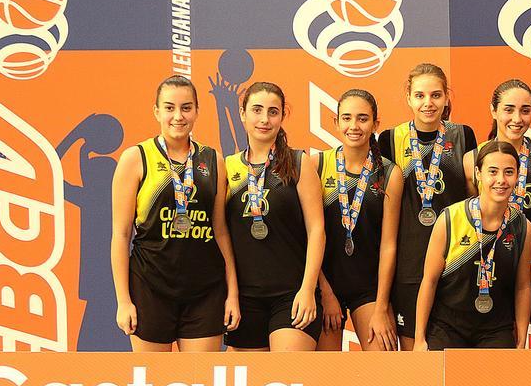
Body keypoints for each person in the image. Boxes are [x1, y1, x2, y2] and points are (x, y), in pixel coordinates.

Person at [110, 75, 239, 352]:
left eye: (186, 107)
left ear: (196, 111)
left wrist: (232, 294)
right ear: (156, 111)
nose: (178, 116)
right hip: (150, 288)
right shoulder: (136, 158)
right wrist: (123, 301)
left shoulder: (212, 159)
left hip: (205, 290)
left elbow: (220, 230)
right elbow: (121, 235)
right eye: (169, 108)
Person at [377, 63, 476, 350]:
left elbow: (472, 199)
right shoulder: (390, 140)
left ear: (447, 97)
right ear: (408, 97)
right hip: (409, 264)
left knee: (454, 355)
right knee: (414, 357)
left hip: (455, 260)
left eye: (435, 95)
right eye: (420, 96)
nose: (428, 103)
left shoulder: (463, 136)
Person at [222, 81, 325, 352]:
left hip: (292, 296)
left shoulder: (298, 162)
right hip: (246, 300)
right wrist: (231, 294)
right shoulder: (227, 168)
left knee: (285, 382)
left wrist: (307, 289)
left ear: (283, 116)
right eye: (257, 110)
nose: (264, 119)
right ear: (242, 114)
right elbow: (221, 236)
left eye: (273, 111)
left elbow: (317, 230)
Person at [466, 79, 531, 348]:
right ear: (493, 110)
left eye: (525, 110)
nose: (517, 118)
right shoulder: (471, 160)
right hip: (492, 277)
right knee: (500, 364)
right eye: (509, 109)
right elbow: (464, 220)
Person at [415, 141, 531, 351]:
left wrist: (522, 340)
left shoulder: (524, 227)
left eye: (509, 172)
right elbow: (429, 281)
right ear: (478, 173)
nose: (501, 180)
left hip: (495, 330)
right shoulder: (450, 218)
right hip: (447, 327)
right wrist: (419, 340)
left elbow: (523, 286)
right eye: (492, 172)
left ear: (518, 175)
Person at [316, 89, 396, 351]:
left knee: (384, 368)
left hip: (369, 289)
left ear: (376, 124)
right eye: (347, 118)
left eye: (362, 119)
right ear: (336, 122)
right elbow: (308, 237)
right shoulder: (317, 164)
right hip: (327, 285)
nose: (354, 126)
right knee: (323, 377)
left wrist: (382, 307)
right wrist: (326, 293)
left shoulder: (389, 172)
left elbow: (388, 245)